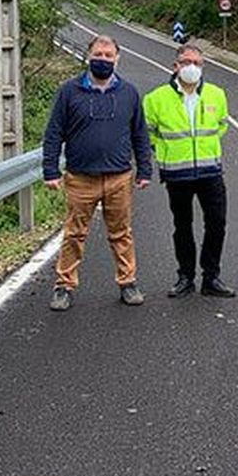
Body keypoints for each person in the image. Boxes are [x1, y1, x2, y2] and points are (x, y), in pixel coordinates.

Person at [42, 34, 153, 311]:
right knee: (74, 234)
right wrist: (50, 170)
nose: (102, 59)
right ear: (89, 56)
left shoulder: (128, 93)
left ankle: (128, 282)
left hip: (119, 177)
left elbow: (139, 133)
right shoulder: (69, 91)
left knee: (121, 234)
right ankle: (63, 286)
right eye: (98, 54)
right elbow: (54, 132)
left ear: (117, 59)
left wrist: (145, 169)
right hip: (80, 178)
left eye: (108, 55)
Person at [142, 42, 235, 299]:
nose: (191, 67)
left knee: (217, 223)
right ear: (176, 66)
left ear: (202, 66)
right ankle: (185, 277)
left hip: (211, 172)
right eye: (186, 62)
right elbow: (147, 133)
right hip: (177, 173)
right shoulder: (155, 98)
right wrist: (164, 153)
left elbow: (221, 126)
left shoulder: (216, 94)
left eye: (196, 63)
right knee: (182, 226)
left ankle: (211, 277)